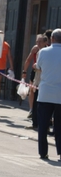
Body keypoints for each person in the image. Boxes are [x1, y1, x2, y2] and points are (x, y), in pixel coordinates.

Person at [35, 28, 61, 160]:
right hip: (60, 95)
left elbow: (38, 67)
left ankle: (43, 152)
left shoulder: (43, 52)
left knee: (43, 124)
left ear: (52, 39)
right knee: (59, 126)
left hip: (45, 93)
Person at [22, 34, 47, 123]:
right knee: (32, 90)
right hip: (35, 72)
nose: (38, 43)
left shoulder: (47, 50)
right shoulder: (35, 49)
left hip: (43, 74)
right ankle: (32, 109)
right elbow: (28, 60)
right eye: (37, 41)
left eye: (40, 41)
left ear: (45, 42)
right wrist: (24, 71)